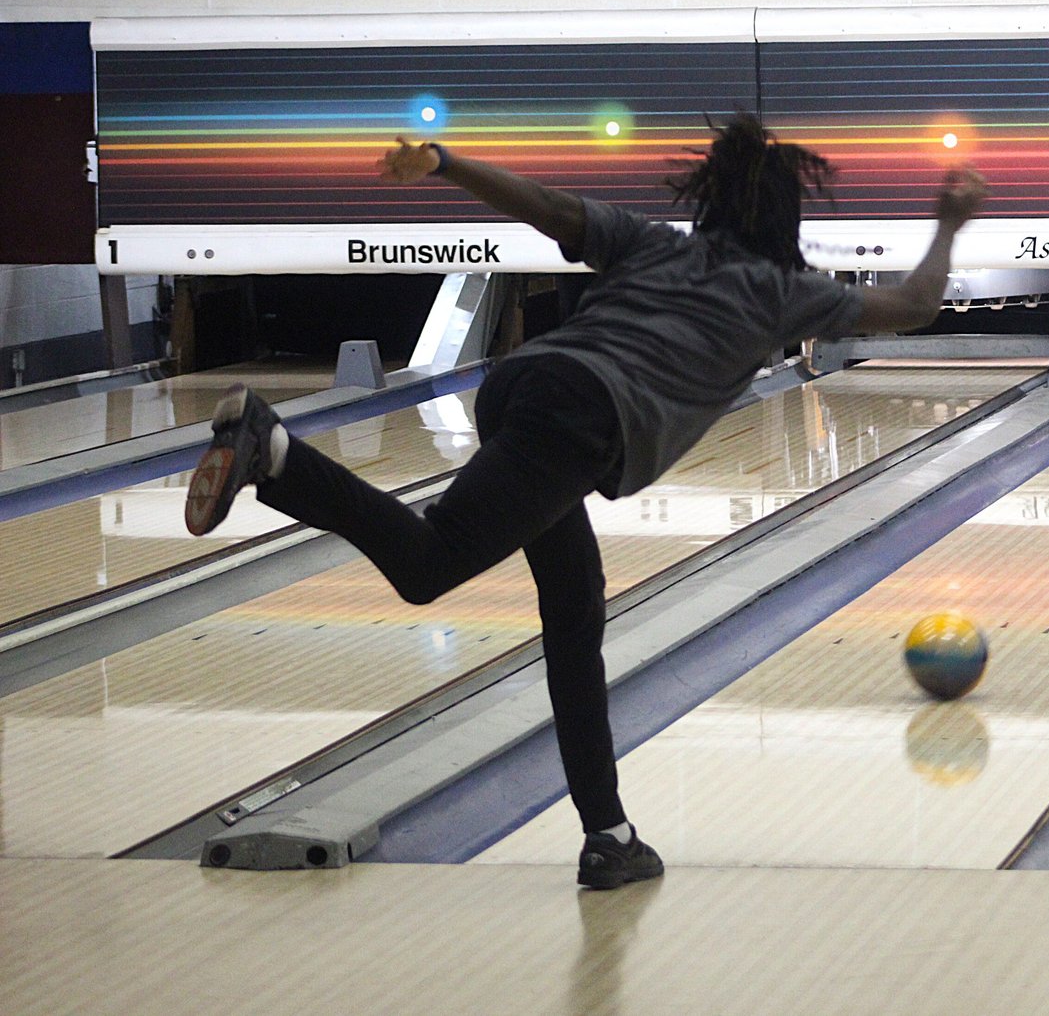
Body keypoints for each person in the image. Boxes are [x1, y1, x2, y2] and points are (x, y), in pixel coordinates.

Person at [183, 112, 989, 888]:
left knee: (575, 613)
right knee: (427, 566)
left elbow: (550, 209)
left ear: (710, 200)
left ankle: (609, 838)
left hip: (522, 385)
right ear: (784, 218)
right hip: (581, 419)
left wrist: (446, 162)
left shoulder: (654, 245)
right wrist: (949, 223)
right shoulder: (786, 291)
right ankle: (275, 453)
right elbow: (915, 307)